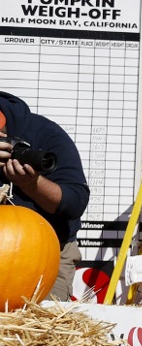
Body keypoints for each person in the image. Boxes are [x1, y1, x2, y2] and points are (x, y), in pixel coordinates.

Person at [0, 92, 89, 301]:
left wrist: (33, 184)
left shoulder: (44, 133)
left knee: (40, 330)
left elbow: (75, 202)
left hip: (44, 255)